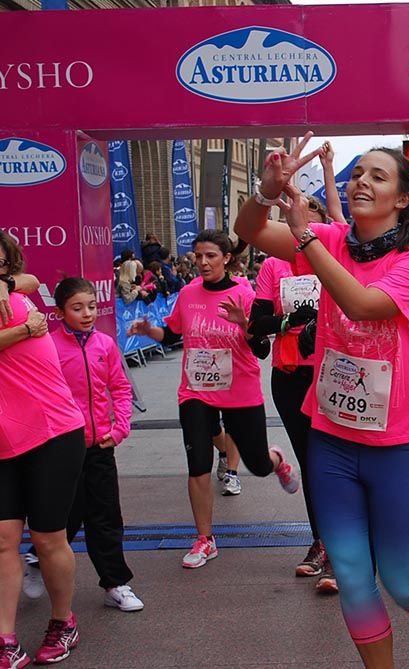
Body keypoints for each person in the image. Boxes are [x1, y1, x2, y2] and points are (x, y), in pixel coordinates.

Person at [234, 135, 409, 668]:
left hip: (403, 443)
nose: (362, 180)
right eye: (358, 172)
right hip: (333, 438)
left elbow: (363, 304)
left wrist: (304, 235)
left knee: (406, 583)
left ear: (403, 198)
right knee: (349, 574)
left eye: (378, 176)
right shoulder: (329, 237)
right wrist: (265, 192)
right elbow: (248, 231)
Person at [127, 229, 300, 569]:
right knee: (197, 465)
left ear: (226, 259)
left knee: (258, 466)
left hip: (240, 390)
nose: (203, 262)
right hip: (195, 391)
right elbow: (173, 334)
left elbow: (262, 349)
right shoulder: (188, 294)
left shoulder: (244, 293)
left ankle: (277, 460)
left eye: (210, 256)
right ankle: (205, 539)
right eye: (198, 256)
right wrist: (150, 332)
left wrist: (245, 323)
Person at [23, 278, 143, 613]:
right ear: (60, 311)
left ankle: (115, 583)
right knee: (66, 514)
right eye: (77, 308)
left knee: (106, 515)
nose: (87, 313)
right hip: (62, 447)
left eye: (91, 306)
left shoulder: (105, 344)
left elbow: (120, 388)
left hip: (101, 445)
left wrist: (119, 429)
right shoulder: (48, 345)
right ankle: (36, 558)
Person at [0, 230, 87, 667]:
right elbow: (28, 281)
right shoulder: (15, 299)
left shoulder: (10, 295)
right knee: (2, 539)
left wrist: (13, 288)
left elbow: (28, 280)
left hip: (51, 432)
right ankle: (5, 640)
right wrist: (20, 330)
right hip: (4, 440)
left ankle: (62, 621)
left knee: (48, 537)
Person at [249, 187, 337, 593]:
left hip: (332, 371)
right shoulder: (273, 267)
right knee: (311, 460)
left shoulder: (333, 258)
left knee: (337, 461)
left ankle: (344, 548)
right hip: (289, 374)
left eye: (308, 219)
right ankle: (322, 543)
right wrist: (289, 323)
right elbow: (260, 324)